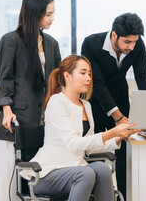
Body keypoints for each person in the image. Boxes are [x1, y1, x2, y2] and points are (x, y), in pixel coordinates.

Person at [21, 55, 139, 200]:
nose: (88, 78)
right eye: (83, 73)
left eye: (89, 73)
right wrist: (111, 132)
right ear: (67, 76)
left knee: (102, 169)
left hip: (76, 170)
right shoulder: (57, 102)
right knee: (86, 173)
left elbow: (89, 148)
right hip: (47, 173)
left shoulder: (86, 105)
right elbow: (73, 143)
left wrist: (118, 137)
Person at [81, 13, 146, 197]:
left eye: (135, 42)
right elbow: (97, 83)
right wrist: (117, 117)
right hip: (95, 103)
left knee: (122, 154)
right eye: (127, 42)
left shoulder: (137, 45)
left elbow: (142, 77)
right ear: (114, 35)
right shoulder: (91, 44)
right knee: (94, 152)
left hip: (121, 99)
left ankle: (123, 196)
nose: (132, 46)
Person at [0, 0, 61, 159]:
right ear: (33, 14)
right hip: (21, 118)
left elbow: (57, 82)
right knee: (23, 174)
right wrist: (6, 111)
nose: (52, 18)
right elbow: (5, 79)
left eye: (53, 13)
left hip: (48, 119)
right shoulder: (11, 41)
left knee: (46, 171)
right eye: (48, 14)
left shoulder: (52, 43)